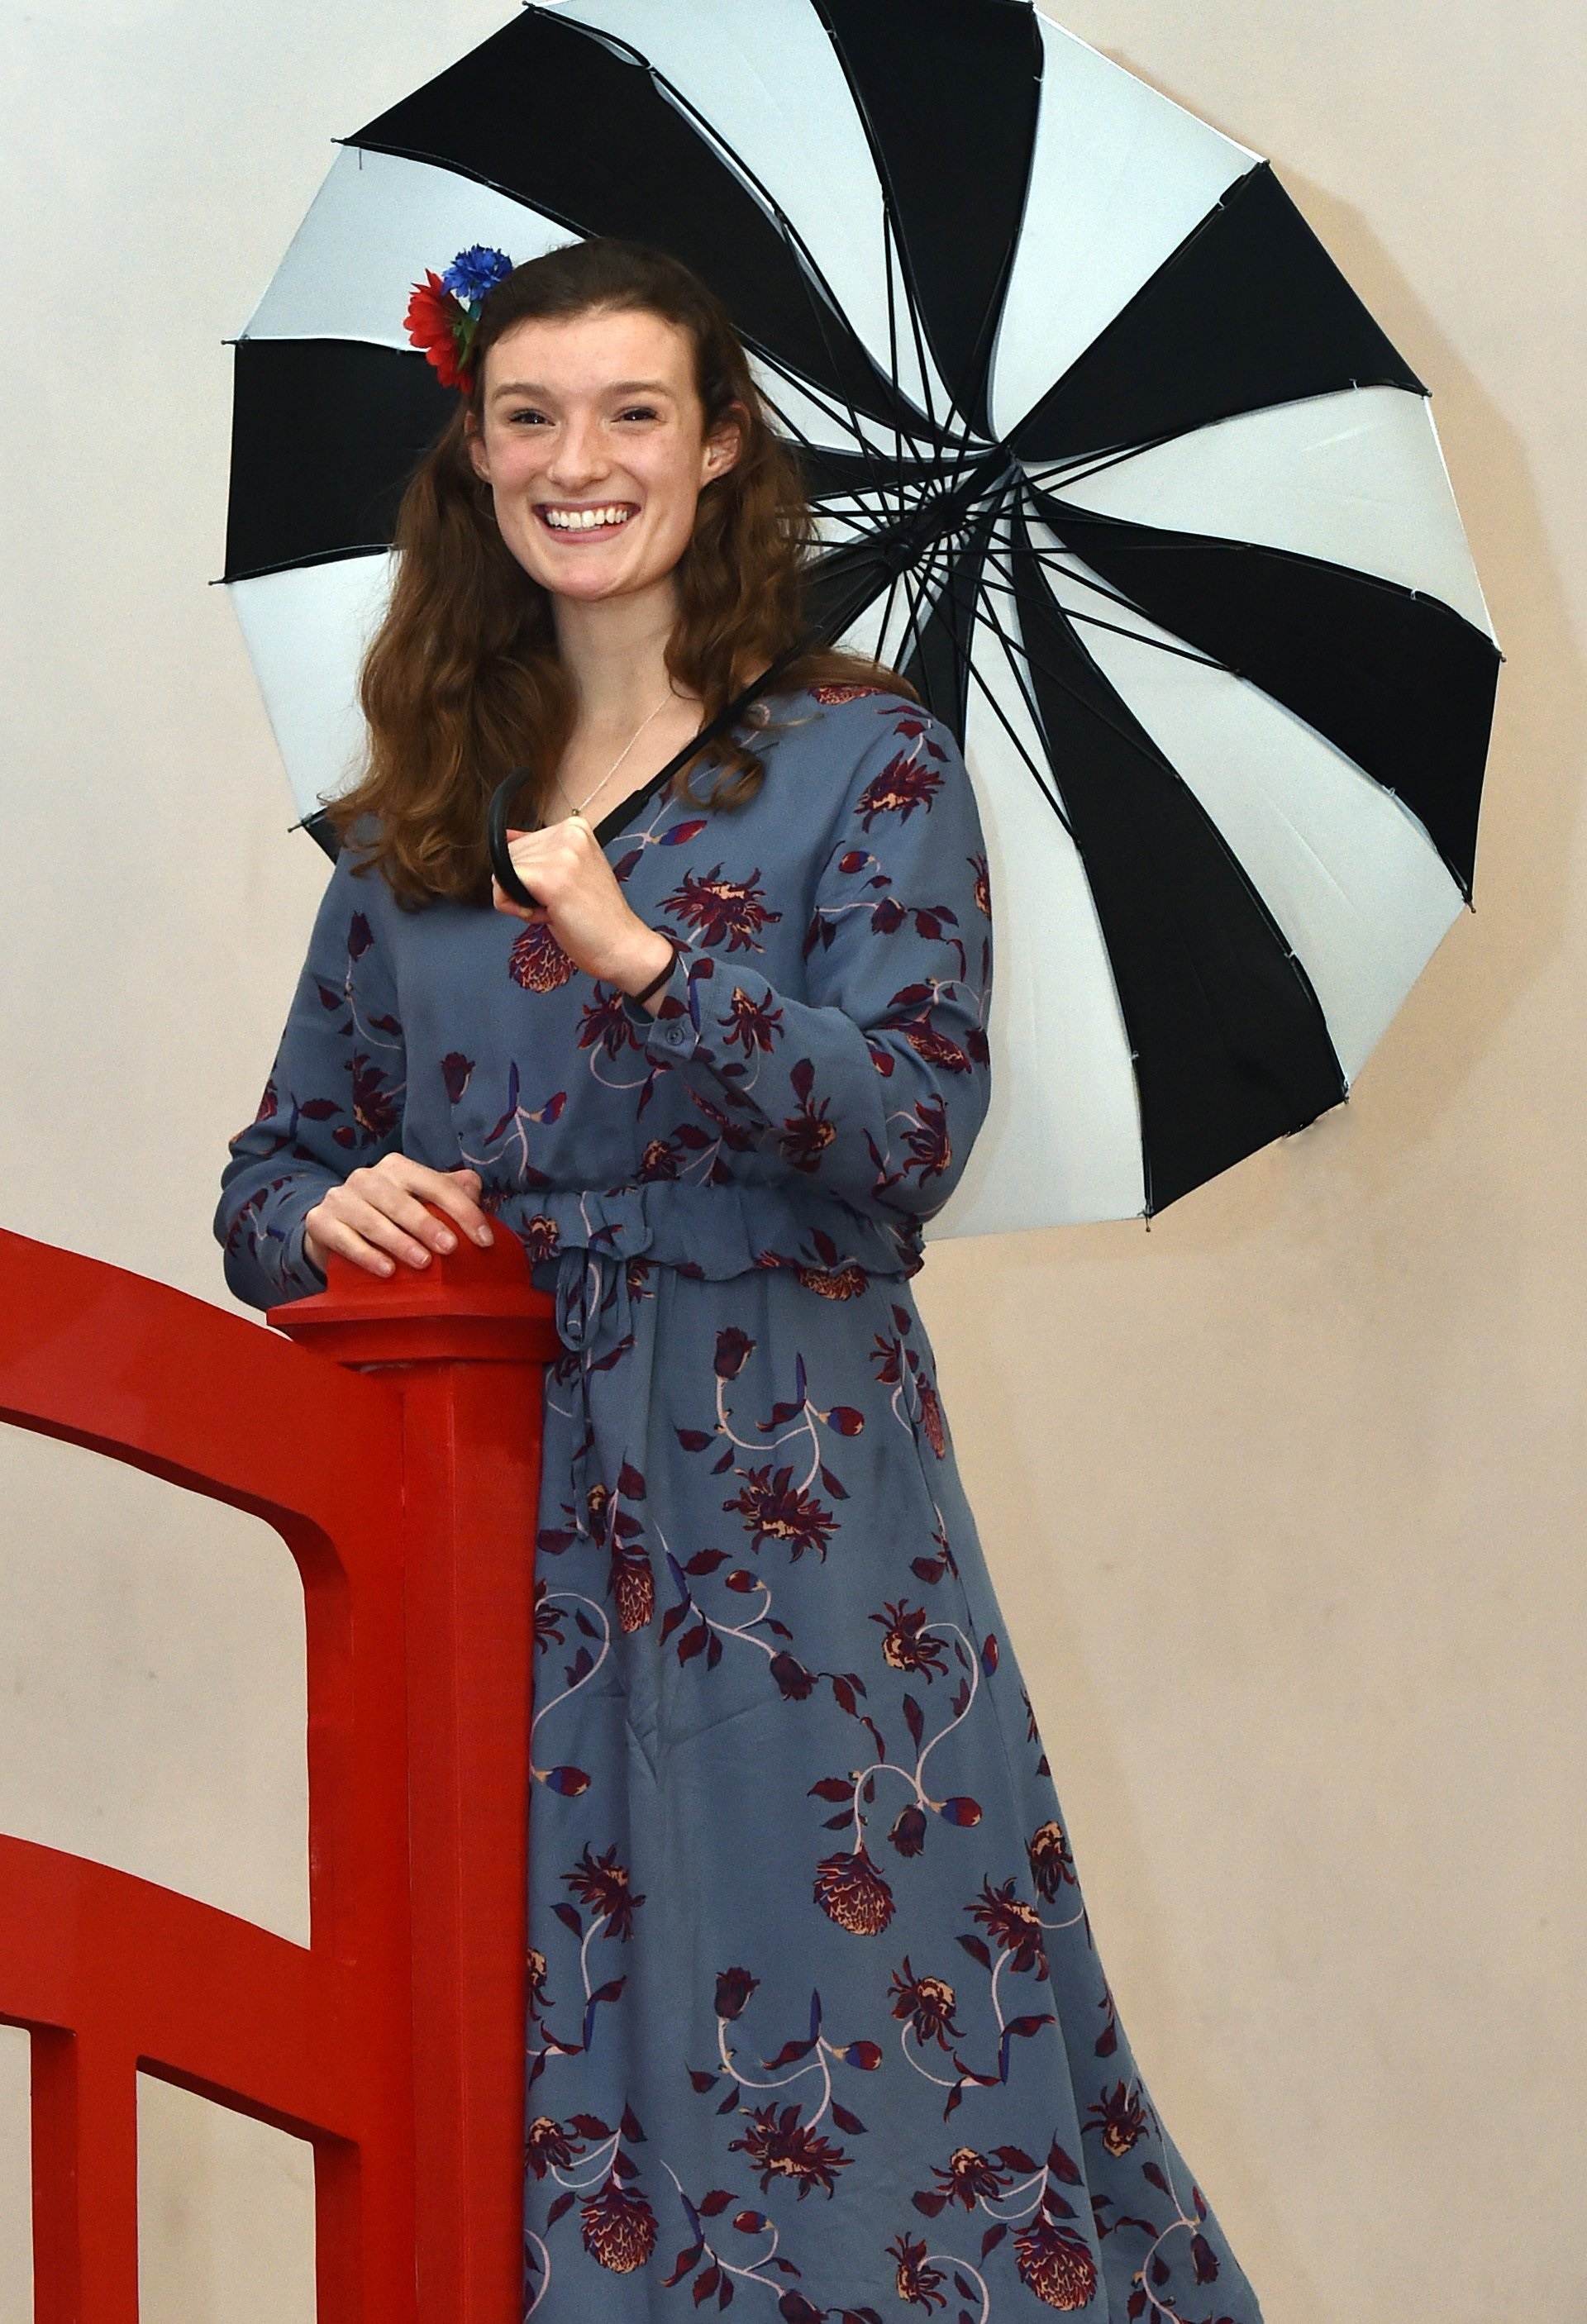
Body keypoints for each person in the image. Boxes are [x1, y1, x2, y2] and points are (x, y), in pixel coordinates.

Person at [216, 236, 1261, 2323]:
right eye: (530, 415)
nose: (576, 460)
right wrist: (324, 1217)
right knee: (525, 2057)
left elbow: (906, 1134)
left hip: (790, 1522)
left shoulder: (860, 767)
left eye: (630, 415)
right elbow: (267, 1176)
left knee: (841, 2044)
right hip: (496, 1534)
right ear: (477, 454)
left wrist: (649, 961)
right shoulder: (414, 817)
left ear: (715, 454)